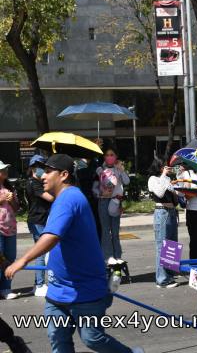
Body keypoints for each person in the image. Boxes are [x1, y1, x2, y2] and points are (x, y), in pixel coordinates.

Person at [4, 154, 143, 353]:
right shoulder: (63, 198)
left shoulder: (69, 198)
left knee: (92, 338)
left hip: (84, 289)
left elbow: (51, 236)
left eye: (48, 171)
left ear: (63, 175)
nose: (43, 175)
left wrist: (22, 260)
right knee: (59, 340)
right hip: (59, 290)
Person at [93, 148, 130, 262]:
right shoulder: (100, 170)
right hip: (104, 202)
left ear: (116, 156)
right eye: (107, 155)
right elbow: (94, 187)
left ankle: (118, 256)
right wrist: (100, 193)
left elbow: (127, 181)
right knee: (105, 230)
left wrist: (121, 170)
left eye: (112, 155)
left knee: (115, 231)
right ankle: (108, 257)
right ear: (104, 157)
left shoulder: (118, 169)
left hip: (115, 202)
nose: (109, 157)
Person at [147, 159, 179, 288]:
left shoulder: (165, 179)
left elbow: (176, 194)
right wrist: (164, 176)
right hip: (162, 211)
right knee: (162, 245)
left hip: (171, 210)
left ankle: (170, 275)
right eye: (163, 167)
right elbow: (159, 193)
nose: (165, 168)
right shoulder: (153, 179)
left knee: (172, 245)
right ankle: (162, 279)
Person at [25, 155, 54, 297]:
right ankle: (40, 284)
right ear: (31, 168)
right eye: (37, 166)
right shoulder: (33, 183)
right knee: (41, 252)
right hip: (37, 220)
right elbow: (50, 198)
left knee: (40, 252)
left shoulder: (38, 182)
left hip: (40, 219)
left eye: (42, 165)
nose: (40, 168)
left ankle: (38, 283)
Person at [0, 160, 19, 300]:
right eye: (3, 169)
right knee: (0, 259)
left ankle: (6, 288)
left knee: (10, 259)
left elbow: (17, 208)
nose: (5, 171)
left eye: (6, 168)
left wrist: (11, 200)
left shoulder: (9, 187)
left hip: (11, 228)